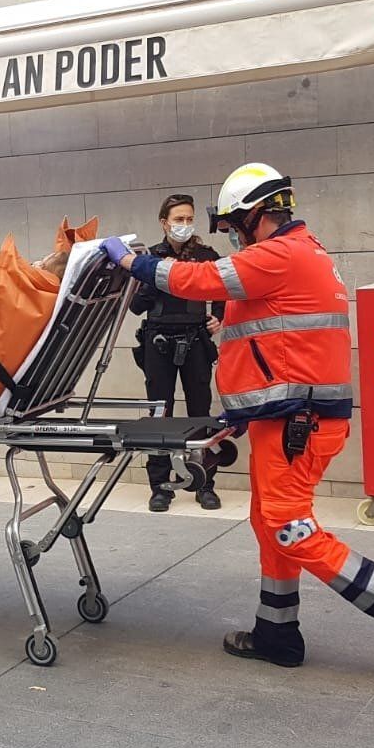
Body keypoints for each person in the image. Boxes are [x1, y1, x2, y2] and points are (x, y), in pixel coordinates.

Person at [100, 163, 374, 675]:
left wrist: (132, 261)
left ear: (257, 214)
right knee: (272, 522)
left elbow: (201, 278)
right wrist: (236, 418)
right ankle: (277, 633)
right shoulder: (303, 254)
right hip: (285, 418)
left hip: (297, 424)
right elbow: (274, 353)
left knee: (288, 526)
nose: (234, 237)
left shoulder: (281, 254)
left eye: (235, 226)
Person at [130, 194, 225, 512]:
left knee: (200, 412)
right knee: (160, 413)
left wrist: (218, 317)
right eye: (178, 219)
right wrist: (160, 276)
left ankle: (205, 483)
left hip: (196, 340)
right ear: (164, 223)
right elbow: (135, 307)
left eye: (189, 219)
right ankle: (160, 486)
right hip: (158, 342)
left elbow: (224, 288)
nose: (184, 225)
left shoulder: (205, 255)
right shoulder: (150, 259)